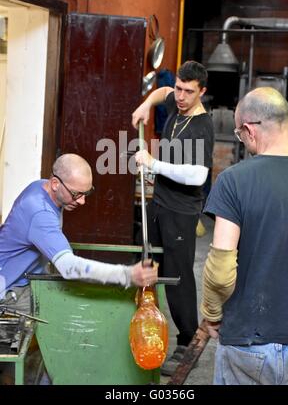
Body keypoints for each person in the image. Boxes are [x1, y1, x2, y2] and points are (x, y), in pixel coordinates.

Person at [200, 87, 288, 385]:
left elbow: (220, 272)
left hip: (248, 342)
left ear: (248, 130)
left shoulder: (234, 181)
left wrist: (212, 313)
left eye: (239, 134)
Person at [132, 60, 214, 375]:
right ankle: (149, 321)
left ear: (202, 92)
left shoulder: (202, 126)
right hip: (160, 203)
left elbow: (197, 176)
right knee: (149, 264)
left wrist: (152, 163)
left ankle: (187, 340)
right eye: (179, 88)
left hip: (182, 211)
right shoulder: (176, 101)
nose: (180, 96)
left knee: (178, 277)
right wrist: (144, 106)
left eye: (188, 92)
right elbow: (162, 91)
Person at [0, 153, 158, 315]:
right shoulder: (40, 212)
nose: (82, 201)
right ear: (55, 183)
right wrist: (127, 275)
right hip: (9, 292)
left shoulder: (41, 187)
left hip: (24, 280)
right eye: (76, 194)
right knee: (80, 311)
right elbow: (69, 267)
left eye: (86, 193)